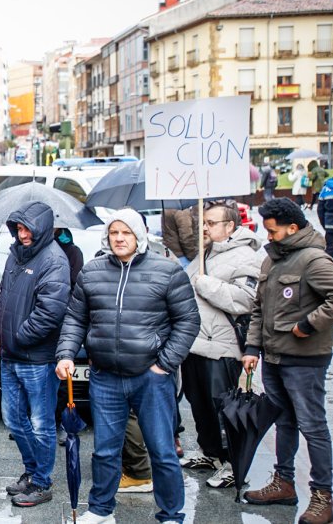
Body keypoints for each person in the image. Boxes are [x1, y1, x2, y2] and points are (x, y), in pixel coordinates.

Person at [56, 208, 199, 524]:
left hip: (151, 378)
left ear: (140, 236)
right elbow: (75, 318)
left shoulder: (167, 271)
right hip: (105, 377)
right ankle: (101, 509)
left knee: (162, 451)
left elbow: (188, 321)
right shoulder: (92, 272)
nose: (119, 238)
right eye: (114, 233)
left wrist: (164, 364)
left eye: (126, 232)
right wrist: (66, 354)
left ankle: (172, 514)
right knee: (105, 451)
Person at [241, 198, 333, 524]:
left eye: (273, 231)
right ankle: (284, 482)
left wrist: (309, 324)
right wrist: (252, 348)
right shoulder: (272, 260)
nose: (269, 237)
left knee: (313, 427)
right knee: (284, 422)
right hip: (274, 357)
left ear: (292, 228)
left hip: (305, 361)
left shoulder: (313, 260)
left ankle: (323, 497)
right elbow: (258, 309)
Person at [0, 203, 71, 508]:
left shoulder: (54, 260)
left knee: (41, 423)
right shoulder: (15, 255)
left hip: (38, 359)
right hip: (11, 355)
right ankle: (32, 470)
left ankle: (42, 482)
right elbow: (2, 298)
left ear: (42, 230)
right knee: (12, 419)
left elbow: (50, 312)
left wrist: (17, 338)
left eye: (28, 229)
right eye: (19, 228)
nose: (23, 234)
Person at [179, 204, 261, 490]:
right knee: (198, 405)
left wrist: (206, 284)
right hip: (195, 342)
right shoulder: (205, 253)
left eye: (211, 223)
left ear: (230, 226)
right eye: (203, 222)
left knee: (222, 408)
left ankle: (231, 463)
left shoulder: (246, 256)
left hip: (221, 346)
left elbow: (244, 300)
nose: (205, 228)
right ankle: (209, 452)